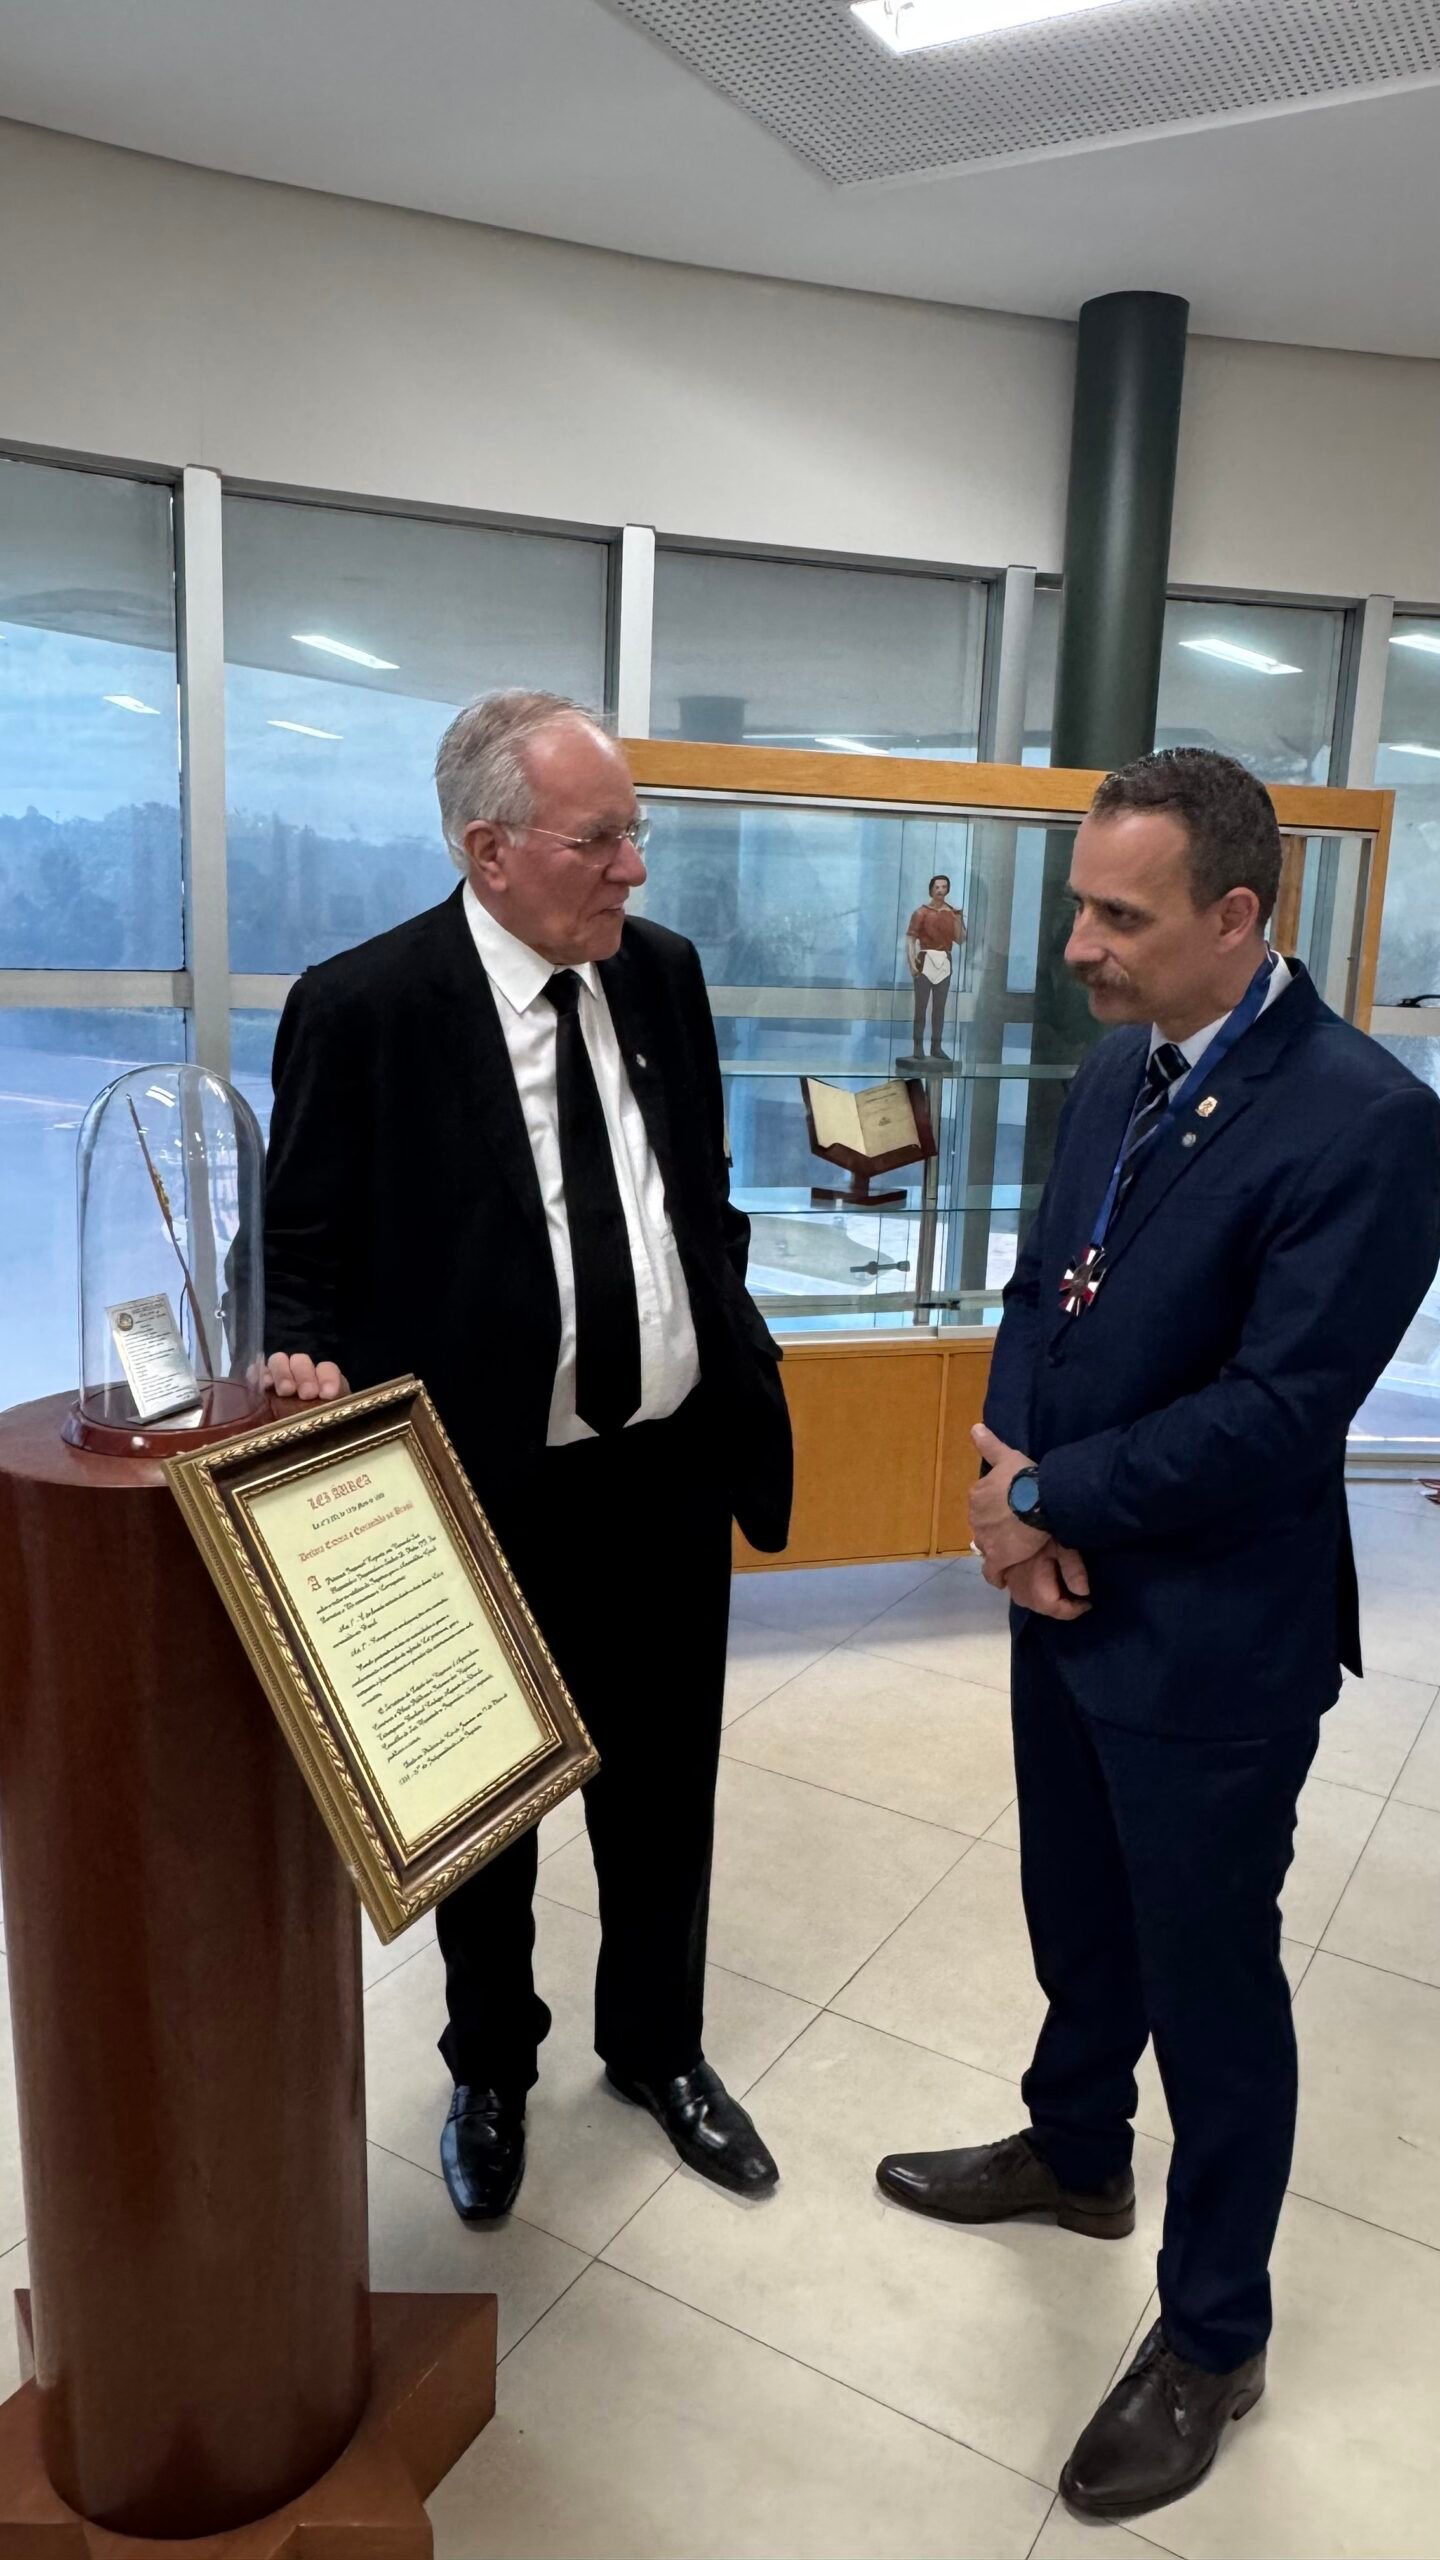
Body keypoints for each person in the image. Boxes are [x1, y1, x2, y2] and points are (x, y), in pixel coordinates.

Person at [875, 748, 1440, 2525]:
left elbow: (1280, 1413)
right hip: (1067, 1591)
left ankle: (1213, 2336)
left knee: (1211, 1988)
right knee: (1076, 1910)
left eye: (1121, 916)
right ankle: (1074, 2152)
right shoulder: (1123, 1063)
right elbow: (1045, 1291)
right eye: (1080, 906)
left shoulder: (1365, 1119)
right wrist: (1006, 1490)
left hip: (1212, 1639)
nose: (1079, 947)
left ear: (1238, 916)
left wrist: (1053, 1501)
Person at [263, 690, 793, 2224]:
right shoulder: (366, 1008)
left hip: (666, 1468)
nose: (634, 867)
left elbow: (699, 1189)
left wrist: (719, 1319)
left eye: (636, 833)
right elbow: (300, 1247)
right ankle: (489, 2069)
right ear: (489, 850)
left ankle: (658, 2048)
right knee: (487, 1803)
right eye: (600, 838)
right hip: (486, 1482)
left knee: (664, 1788)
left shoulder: (663, 976)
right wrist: (302, 1359)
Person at [903, 873, 967, 1062]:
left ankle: (936, 1046)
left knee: (939, 1008)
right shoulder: (921, 913)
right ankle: (918, 1045)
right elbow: (910, 939)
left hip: (944, 962)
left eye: (944, 887)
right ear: (931, 889)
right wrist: (912, 963)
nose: (940, 891)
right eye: (937, 887)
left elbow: (961, 939)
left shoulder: (952, 913)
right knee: (921, 1007)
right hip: (925, 960)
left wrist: (958, 919)